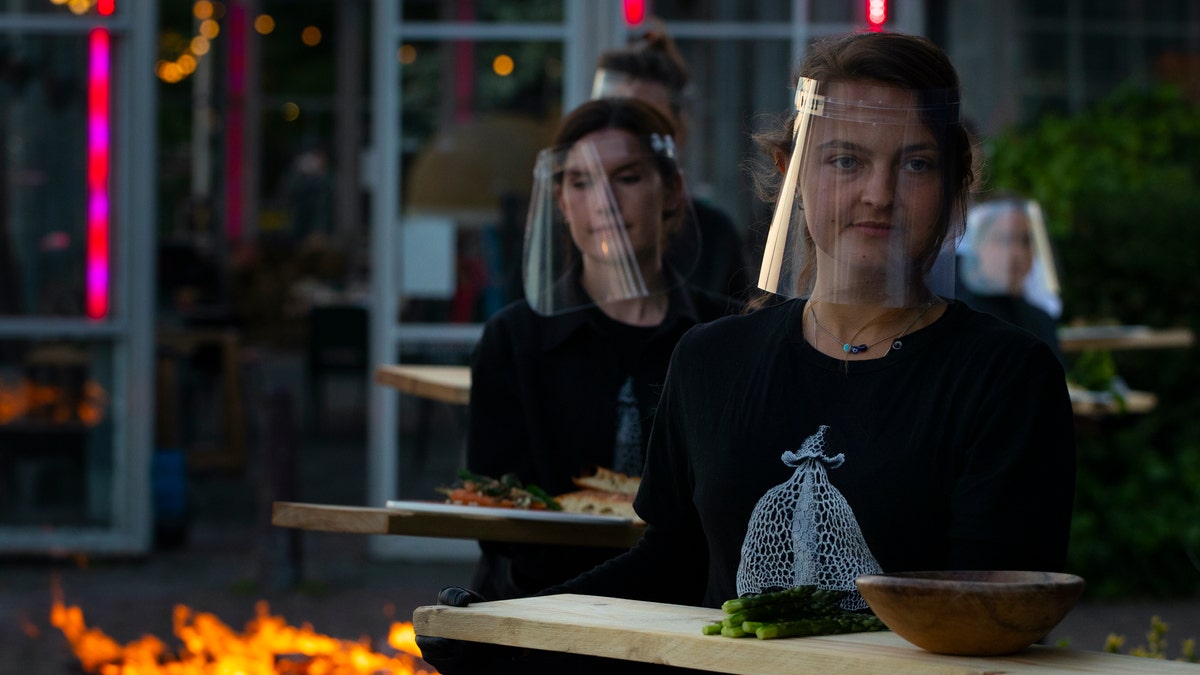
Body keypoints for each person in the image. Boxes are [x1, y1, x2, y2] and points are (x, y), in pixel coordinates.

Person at [419, 31, 1076, 674]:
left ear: (955, 178)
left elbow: (991, 611)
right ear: (791, 172)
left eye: (915, 163)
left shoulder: (1006, 377)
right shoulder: (710, 359)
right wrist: (509, 627)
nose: (878, 193)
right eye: (845, 160)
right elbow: (673, 561)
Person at [463, 96, 736, 603]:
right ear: (562, 202)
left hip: (687, 618)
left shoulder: (729, 334)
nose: (604, 202)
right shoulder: (515, 340)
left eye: (627, 177)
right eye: (581, 182)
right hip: (540, 614)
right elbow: (496, 511)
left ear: (672, 189)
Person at [593, 28, 754, 300]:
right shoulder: (573, 223)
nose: (621, 136)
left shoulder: (713, 236)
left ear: (679, 131)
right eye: (606, 117)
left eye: (644, 122)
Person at [956, 196, 1064, 363]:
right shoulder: (956, 319)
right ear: (977, 245)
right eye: (1003, 239)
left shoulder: (1041, 321)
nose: (1016, 252)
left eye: (1026, 240)